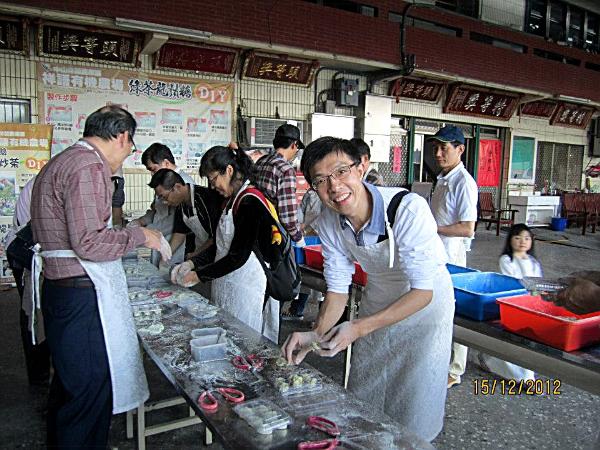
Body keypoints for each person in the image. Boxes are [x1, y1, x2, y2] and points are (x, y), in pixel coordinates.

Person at [282, 137, 454, 442]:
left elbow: (423, 292)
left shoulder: (406, 208)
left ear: (361, 167)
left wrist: (358, 328)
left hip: (424, 307)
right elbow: (337, 290)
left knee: (413, 398)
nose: (334, 187)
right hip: (379, 298)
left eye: (340, 172)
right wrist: (314, 335)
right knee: (369, 385)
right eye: (321, 180)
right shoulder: (329, 222)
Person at [30, 105, 165, 448]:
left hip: (62, 290)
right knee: (89, 392)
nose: (129, 153)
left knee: (70, 387)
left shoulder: (61, 161)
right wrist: (140, 236)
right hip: (80, 295)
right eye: (132, 146)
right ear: (121, 136)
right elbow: (89, 242)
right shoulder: (89, 165)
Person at [171, 146, 280, 342]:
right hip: (228, 282)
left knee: (244, 341)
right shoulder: (230, 201)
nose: (213, 187)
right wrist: (193, 263)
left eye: (214, 179)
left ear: (229, 171)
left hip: (247, 286)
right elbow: (221, 244)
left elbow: (238, 256)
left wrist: (199, 275)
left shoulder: (250, 201)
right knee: (226, 338)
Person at [428, 125, 478, 389]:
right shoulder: (442, 178)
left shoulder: (464, 182)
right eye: (436, 147)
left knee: (452, 312)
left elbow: (467, 227)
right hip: (435, 254)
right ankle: (438, 361)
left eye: (444, 148)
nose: (438, 153)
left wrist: (432, 228)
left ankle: (455, 369)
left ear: (460, 149)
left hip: (452, 257)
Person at [476, 224, 541, 381]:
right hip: (515, 303)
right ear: (510, 240)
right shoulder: (507, 260)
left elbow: (538, 282)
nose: (522, 242)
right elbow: (514, 282)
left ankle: (491, 360)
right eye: (517, 238)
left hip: (531, 304)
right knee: (516, 339)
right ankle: (524, 378)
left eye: (526, 238)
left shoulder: (533, 262)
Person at [3, 176, 51, 386]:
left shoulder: (52, 181)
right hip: (25, 253)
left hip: (35, 253)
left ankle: (45, 369)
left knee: (41, 312)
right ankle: (39, 374)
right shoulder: (45, 185)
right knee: (32, 311)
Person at [133, 143, 194, 266]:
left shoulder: (182, 184)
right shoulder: (162, 181)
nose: (152, 174)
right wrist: (141, 221)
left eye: (153, 169)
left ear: (166, 163)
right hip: (160, 239)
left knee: (170, 276)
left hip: (174, 243)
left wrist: (147, 231)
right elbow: (158, 210)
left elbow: (176, 222)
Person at [148, 168, 223, 259]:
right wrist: (166, 256)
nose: (164, 202)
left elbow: (214, 238)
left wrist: (194, 255)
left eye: (164, 197)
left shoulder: (206, 198)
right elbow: (180, 233)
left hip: (216, 254)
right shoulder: (181, 204)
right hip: (200, 252)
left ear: (177, 187)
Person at [252, 124, 305, 245]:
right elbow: (287, 216)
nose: (296, 151)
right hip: (274, 235)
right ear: (294, 144)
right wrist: (298, 238)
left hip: (255, 226)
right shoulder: (286, 170)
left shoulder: (262, 161)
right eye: (297, 148)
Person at [283, 189, 324, 321]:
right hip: (307, 241)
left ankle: (322, 319)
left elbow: (321, 219)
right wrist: (300, 229)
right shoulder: (311, 193)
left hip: (321, 241)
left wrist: (305, 230)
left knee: (324, 286)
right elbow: (300, 213)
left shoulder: (327, 193)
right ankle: (297, 310)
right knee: (305, 279)